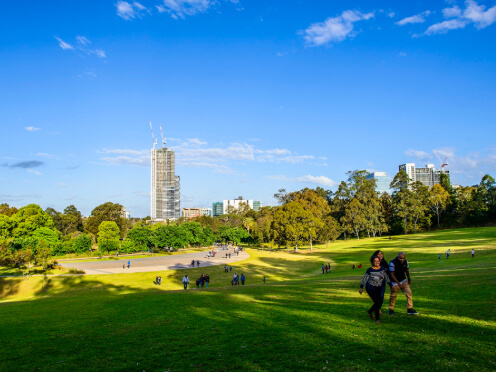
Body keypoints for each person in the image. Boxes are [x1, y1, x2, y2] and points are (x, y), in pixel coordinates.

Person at [359, 255, 390, 323]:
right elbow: (365, 278)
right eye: (375, 261)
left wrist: (391, 285)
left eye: (378, 261)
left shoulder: (382, 268)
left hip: (379, 287)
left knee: (378, 302)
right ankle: (377, 319)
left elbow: (386, 277)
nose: (377, 262)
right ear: (372, 262)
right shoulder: (370, 270)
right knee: (377, 302)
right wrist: (361, 287)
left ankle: (370, 311)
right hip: (370, 288)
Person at [372, 250, 389, 315]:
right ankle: (376, 308)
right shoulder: (374, 263)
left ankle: (379, 309)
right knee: (376, 296)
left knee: (381, 296)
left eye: (381, 254)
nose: (381, 255)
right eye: (379, 254)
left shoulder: (384, 262)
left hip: (382, 282)